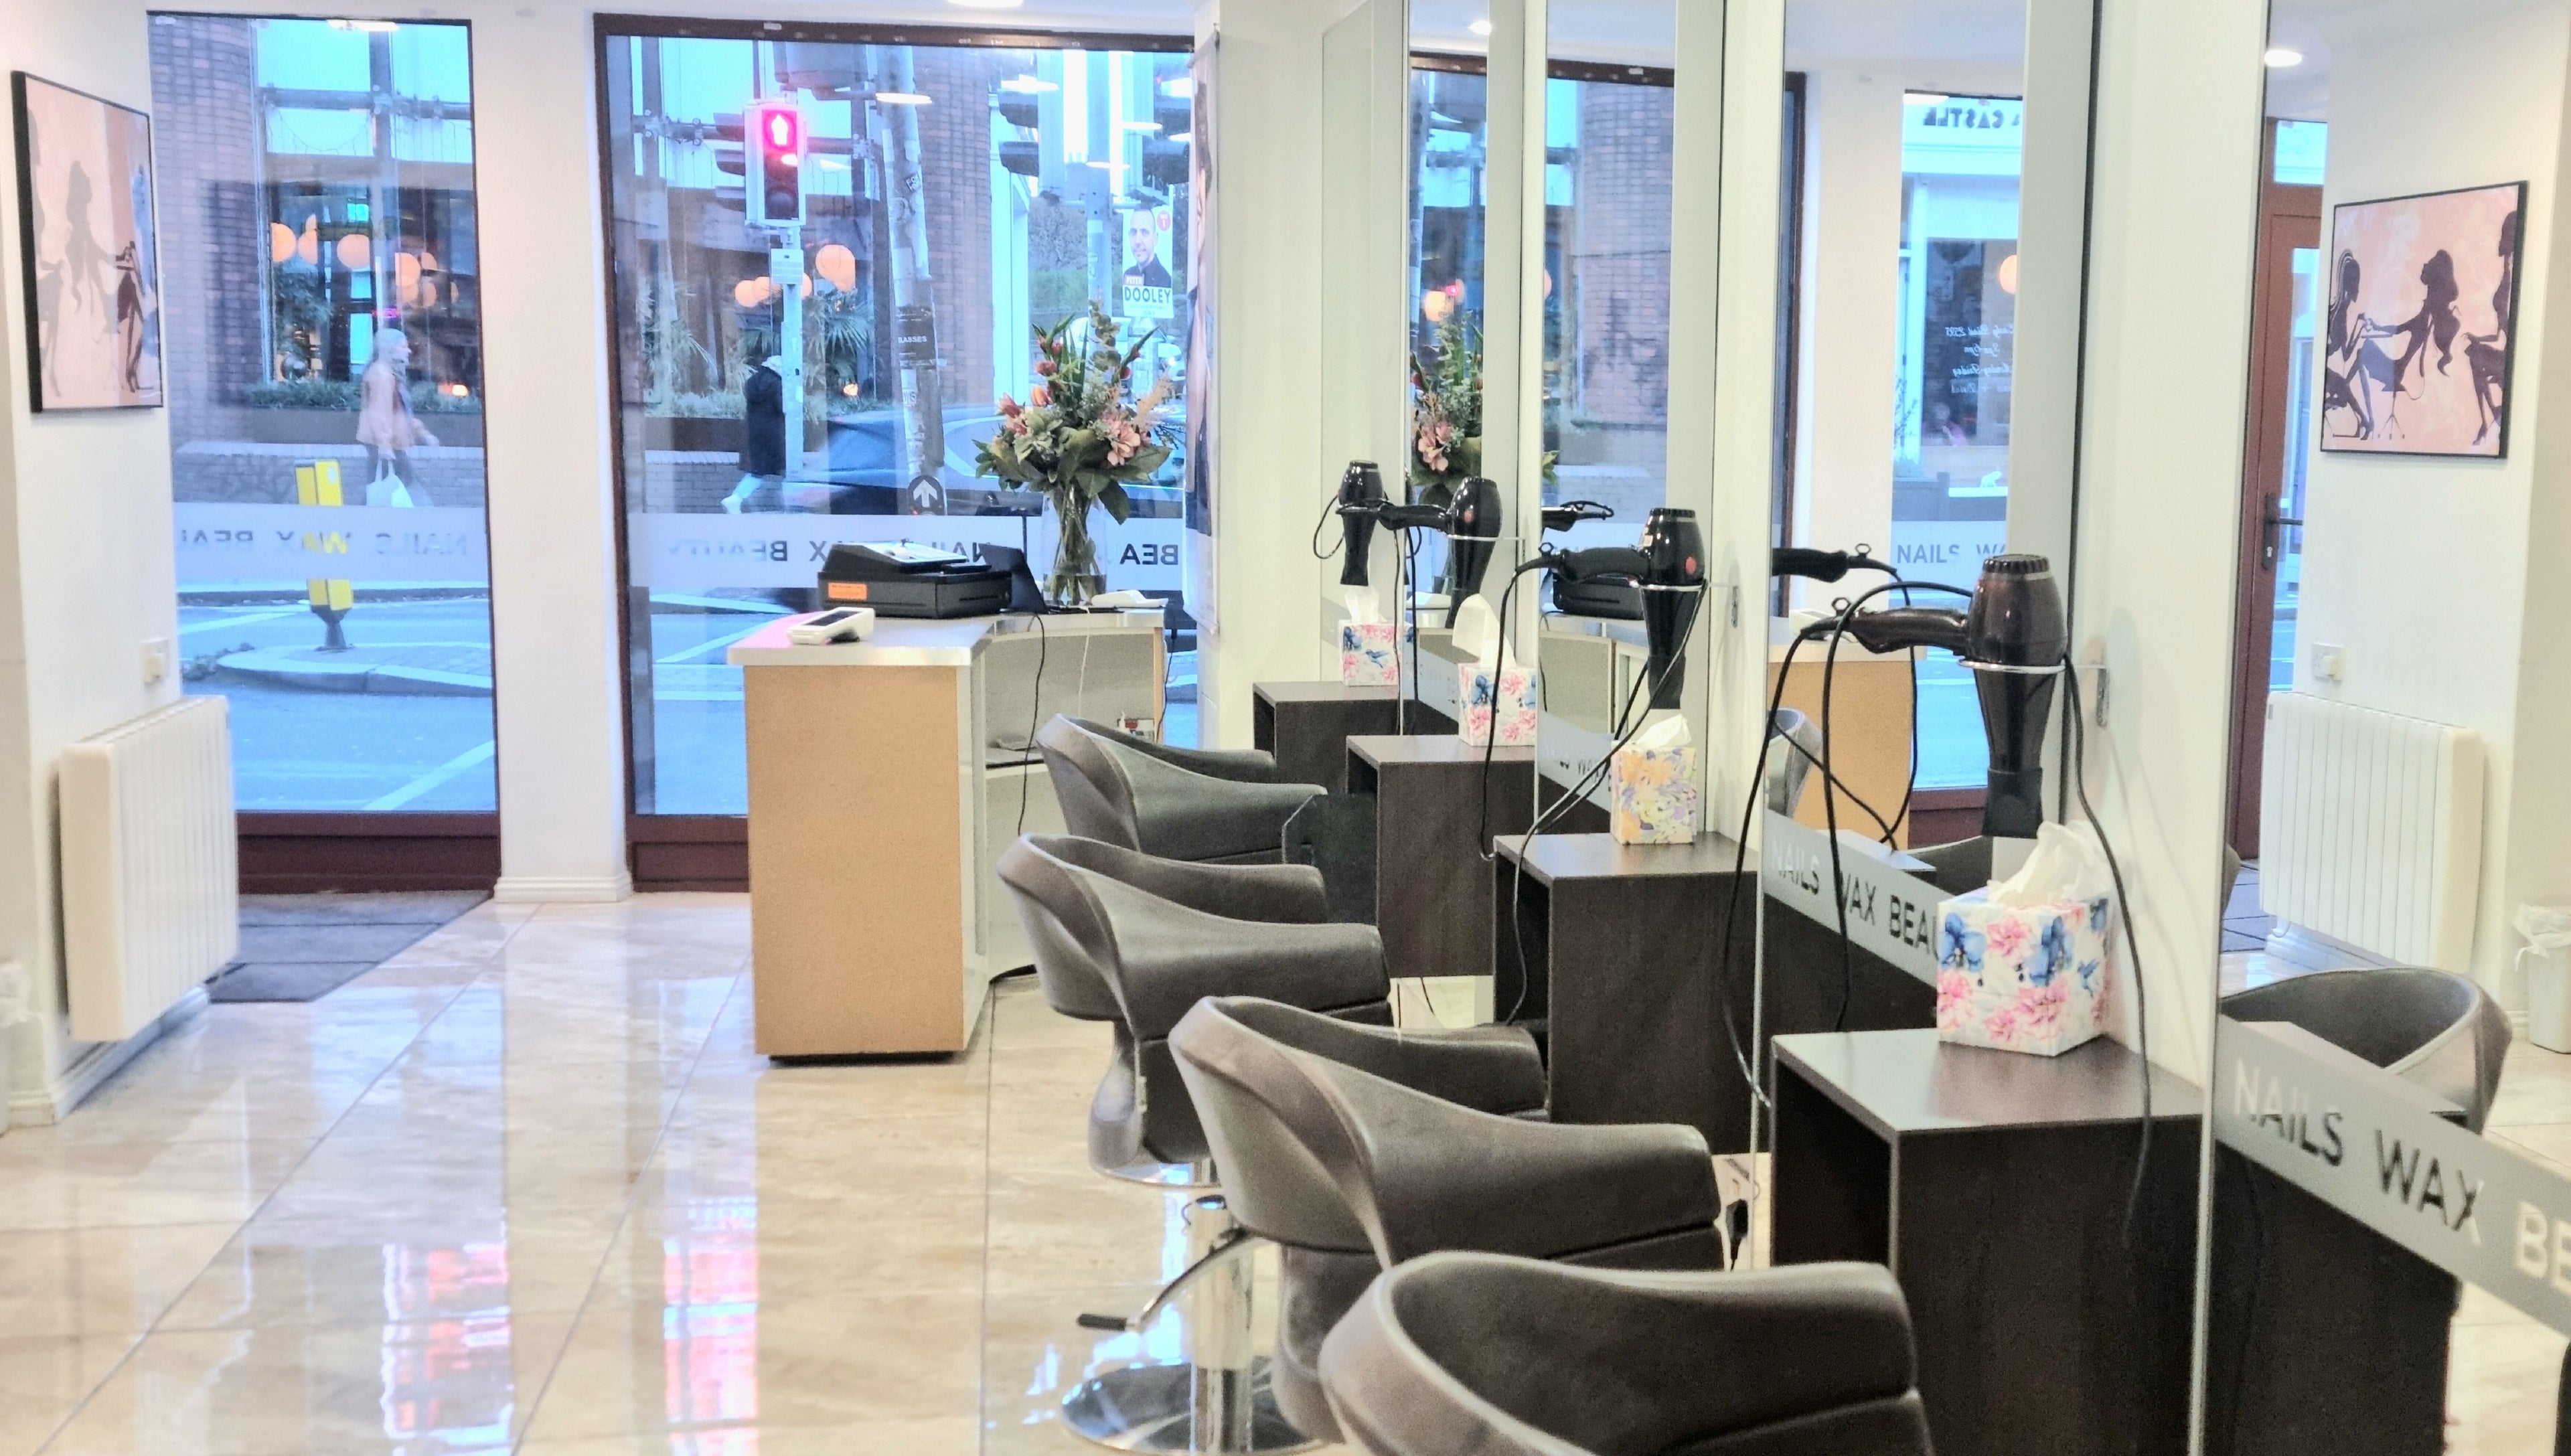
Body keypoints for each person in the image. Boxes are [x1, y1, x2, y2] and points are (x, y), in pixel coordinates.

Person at [357, 325, 438, 505]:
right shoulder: (382, 375)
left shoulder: (389, 374)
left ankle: (364, 517)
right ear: (389, 348)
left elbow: (400, 413)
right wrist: (384, 445)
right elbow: (379, 412)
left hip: (388, 444)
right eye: (403, 346)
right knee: (405, 487)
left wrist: (423, 433)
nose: (408, 351)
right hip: (388, 446)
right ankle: (426, 517)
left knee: (379, 489)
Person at [726, 343, 787, 513]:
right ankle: (793, 505)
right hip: (774, 433)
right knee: (786, 470)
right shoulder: (777, 384)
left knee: (758, 471)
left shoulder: (752, 382)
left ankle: (736, 498)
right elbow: (782, 408)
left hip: (755, 432)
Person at [1122, 211, 1172, 292]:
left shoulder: (1165, 279)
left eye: (1145, 233)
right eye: (1133, 232)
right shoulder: (1129, 274)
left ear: (1155, 239)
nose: (1138, 241)